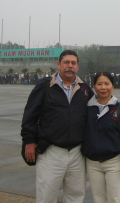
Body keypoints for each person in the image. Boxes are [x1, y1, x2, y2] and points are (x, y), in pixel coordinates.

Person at [21, 50, 93, 203]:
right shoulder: (45, 86)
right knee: (46, 195)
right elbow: (30, 115)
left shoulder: (85, 90)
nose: (70, 66)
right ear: (59, 64)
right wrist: (29, 141)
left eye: (73, 63)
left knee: (76, 195)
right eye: (66, 62)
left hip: (77, 153)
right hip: (51, 152)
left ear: (78, 66)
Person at [82, 72, 120, 203]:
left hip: (114, 162)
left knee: (115, 198)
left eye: (107, 84)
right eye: (99, 84)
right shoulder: (87, 109)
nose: (103, 87)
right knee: (98, 198)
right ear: (94, 86)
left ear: (113, 86)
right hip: (92, 163)